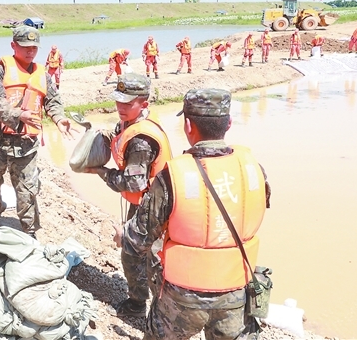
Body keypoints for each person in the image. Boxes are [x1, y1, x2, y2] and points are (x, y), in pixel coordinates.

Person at [115, 88, 271, 340]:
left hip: (181, 297)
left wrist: (123, 235)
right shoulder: (254, 169)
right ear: (229, 123)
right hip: (236, 292)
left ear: (187, 126)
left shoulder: (173, 176)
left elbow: (138, 239)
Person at [80, 73, 172, 317]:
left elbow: (133, 182)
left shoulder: (141, 140)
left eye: (127, 103)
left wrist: (101, 172)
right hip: (145, 201)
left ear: (144, 104)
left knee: (146, 256)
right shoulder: (130, 123)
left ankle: (153, 309)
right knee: (136, 252)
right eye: (118, 101)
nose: (120, 107)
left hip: (154, 207)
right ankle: (142, 302)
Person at [0, 26, 78, 238]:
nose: (30, 51)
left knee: (27, 190)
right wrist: (17, 115)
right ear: (13, 45)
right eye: (25, 47)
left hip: (26, 144)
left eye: (34, 47)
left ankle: (29, 230)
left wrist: (59, 119)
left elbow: (52, 100)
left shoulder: (43, 74)